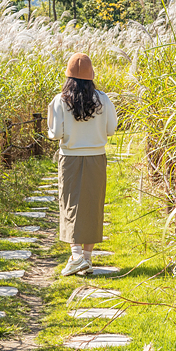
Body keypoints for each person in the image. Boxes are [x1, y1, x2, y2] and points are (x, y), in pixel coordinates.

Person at [47, 52, 118, 276]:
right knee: (92, 205)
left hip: (69, 157)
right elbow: (111, 128)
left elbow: (55, 132)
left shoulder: (60, 100)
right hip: (96, 156)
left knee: (69, 203)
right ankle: (86, 259)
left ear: (68, 76)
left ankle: (76, 256)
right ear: (91, 75)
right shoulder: (102, 99)